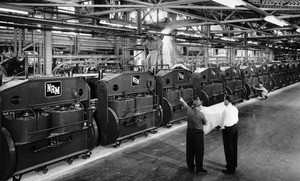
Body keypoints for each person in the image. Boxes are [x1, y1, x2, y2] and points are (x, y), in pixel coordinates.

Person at [179, 96, 208, 175]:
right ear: (198, 106)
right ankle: (199, 169)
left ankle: (191, 166)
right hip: (198, 134)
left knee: (190, 150)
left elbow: (186, 106)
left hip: (189, 132)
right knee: (199, 151)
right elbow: (205, 123)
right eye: (201, 105)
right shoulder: (200, 114)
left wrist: (182, 100)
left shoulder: (189, 111)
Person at [219, 95, 239, 174]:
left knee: (228, 148)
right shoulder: (235, 108)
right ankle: (233, 164)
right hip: (235, 128)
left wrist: (220, 126)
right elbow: (236, 119)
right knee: (234, 147)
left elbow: (223, 122)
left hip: (228, 130)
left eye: (224, 100)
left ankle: (230, 169)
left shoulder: (226, 110)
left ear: (227, 100)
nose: (223, 101)